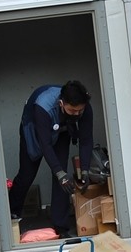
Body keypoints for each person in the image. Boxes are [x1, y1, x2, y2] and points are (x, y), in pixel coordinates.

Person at [8, 80, 94, 235]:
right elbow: (45, 145)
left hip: (62, 130)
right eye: (72, 110)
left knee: (63, 179)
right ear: (61, 103)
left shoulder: (84, 107)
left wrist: (85, 170)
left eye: (79, 111)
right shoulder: (43, 106)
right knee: (27, 175)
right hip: (35, 130)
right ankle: (12, 214)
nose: (77, 114)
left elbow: (86, 140)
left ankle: (60, 226)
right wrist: (58, 173)